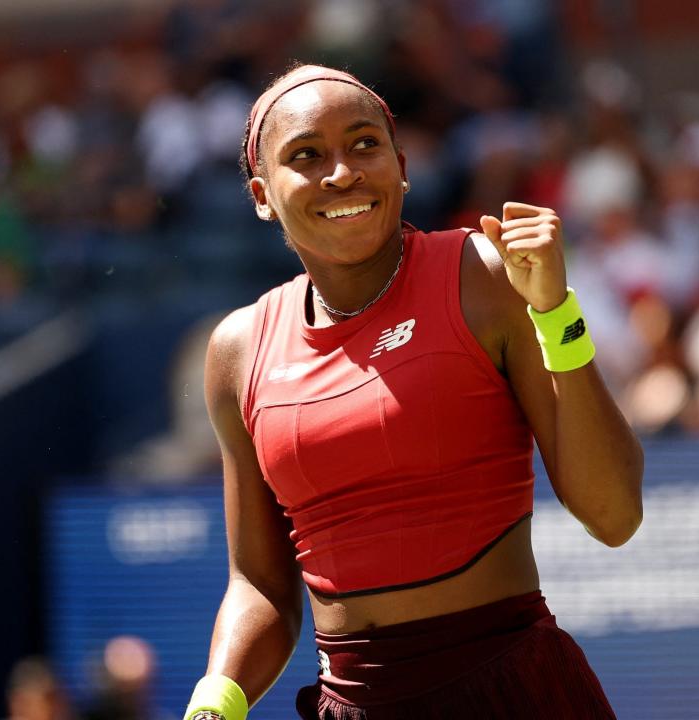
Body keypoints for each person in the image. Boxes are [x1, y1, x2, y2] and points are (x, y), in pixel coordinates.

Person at [183, 63, 643, 720]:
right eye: (307, 155)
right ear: (262, 193)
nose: (342, 172)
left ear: (401, 164)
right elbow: (259, 583)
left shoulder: (483, 276)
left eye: (364, 144)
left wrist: (556, 314)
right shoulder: (237, 350)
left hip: (513, 691)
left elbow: (615, 515)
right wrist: (217, 697)